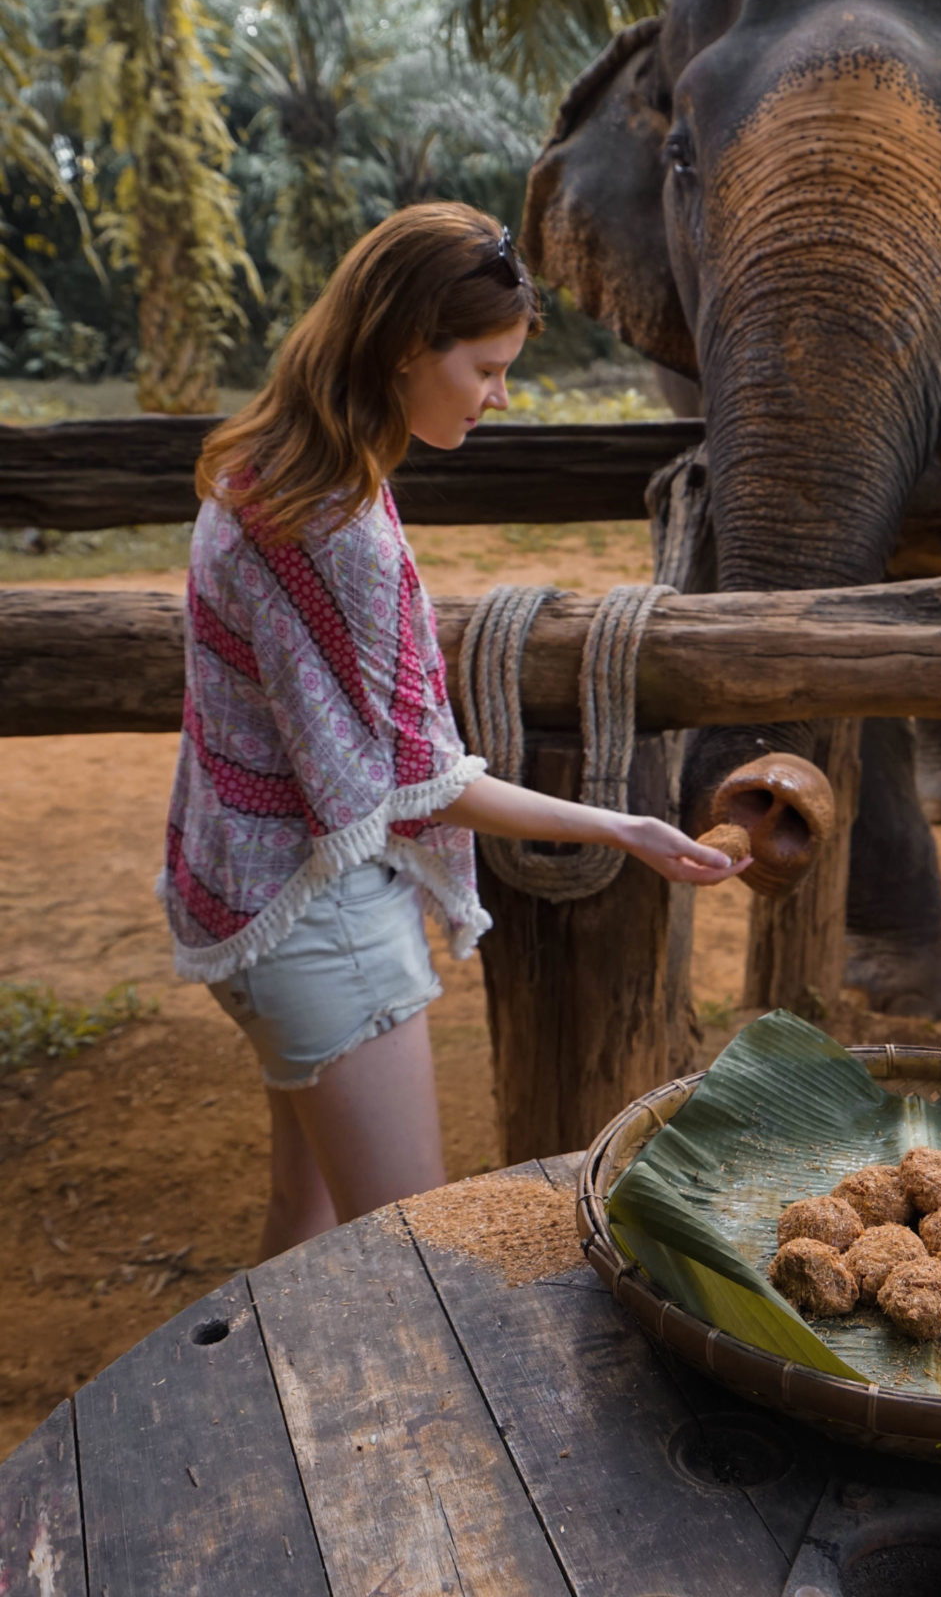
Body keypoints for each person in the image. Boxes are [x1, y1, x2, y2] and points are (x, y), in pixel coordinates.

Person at [163, 203, 737, 1260]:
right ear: (401, 350)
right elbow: (415, 784)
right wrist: (626, 829)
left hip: (250, 903)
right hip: (319, 922)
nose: (498, 396)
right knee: (405, 1262)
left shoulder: (255, 472)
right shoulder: (334, 526)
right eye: (482, 367)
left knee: (308, 1234)